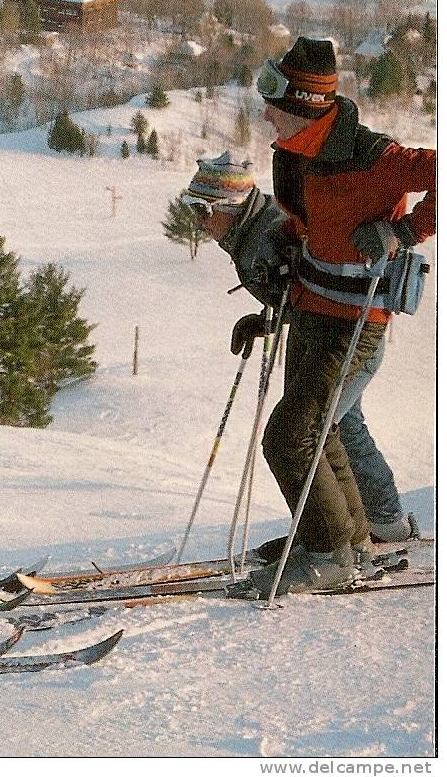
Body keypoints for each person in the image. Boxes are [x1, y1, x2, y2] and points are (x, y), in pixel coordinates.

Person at [244, 36, 434, 596]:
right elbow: (308, 229)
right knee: (316, 430)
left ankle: (328, 554)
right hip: (310, 311)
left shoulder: (373, 157)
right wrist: (276, 290)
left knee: (290, 435)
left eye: (272, 100)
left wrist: (404, 230)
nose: (264, 112)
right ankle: (342, 540)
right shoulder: (297, 155)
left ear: (301, 103)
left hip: (355, 322)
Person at [180, 151, 419, 555]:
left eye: (202, 208)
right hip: (326, 336)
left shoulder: (268, 229)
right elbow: (298, 293)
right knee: (338, 426)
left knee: (312, 434)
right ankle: (374, 523)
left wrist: (279, 313)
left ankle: (351, 531)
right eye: (192, 207)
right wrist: (267, 319)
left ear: (229, 205)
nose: (199, 220)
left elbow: (321, 285)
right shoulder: (247, 230)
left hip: (348, 337)